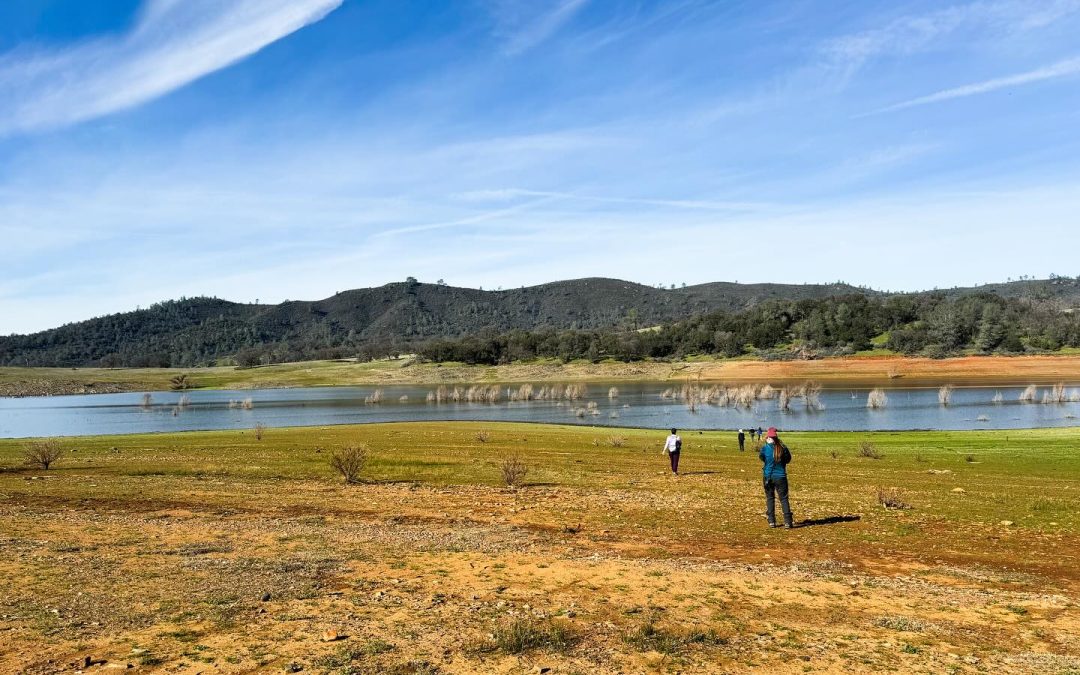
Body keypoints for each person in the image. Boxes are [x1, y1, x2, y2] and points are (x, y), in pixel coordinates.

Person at [759, 426, 793, 528]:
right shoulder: (783, 448)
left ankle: (772, 521)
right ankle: (788, 521)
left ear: (768, 437)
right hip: (781, 476)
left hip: (768, 476)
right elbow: (788, 460)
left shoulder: (765, 449)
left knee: (770, 498)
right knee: (784, 499)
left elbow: (762, 458)